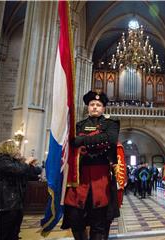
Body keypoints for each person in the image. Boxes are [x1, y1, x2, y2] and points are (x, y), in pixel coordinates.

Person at [61, 90, 120, 240]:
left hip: (101, 178)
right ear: (88, 107)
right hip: (79, 178)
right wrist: (96, 140)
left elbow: (110, 140)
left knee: (99, 220)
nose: (95, 107)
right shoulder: (79, 125)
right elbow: (72, 143)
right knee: (75, 218)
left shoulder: (111, 124)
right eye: (92, 104)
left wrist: (81, 141)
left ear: (103, 108)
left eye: (98, 105)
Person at [0, 139, 42, 240]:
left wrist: (32, 165)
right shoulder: (1, 160)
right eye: (16, 148)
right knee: (3, 232)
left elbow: (35, 172)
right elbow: (17, 170)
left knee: (14, 231)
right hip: (5, 204)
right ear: (9, 149)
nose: (19, 150)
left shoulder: (17, 162)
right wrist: (26, 162)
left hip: (17, 203)